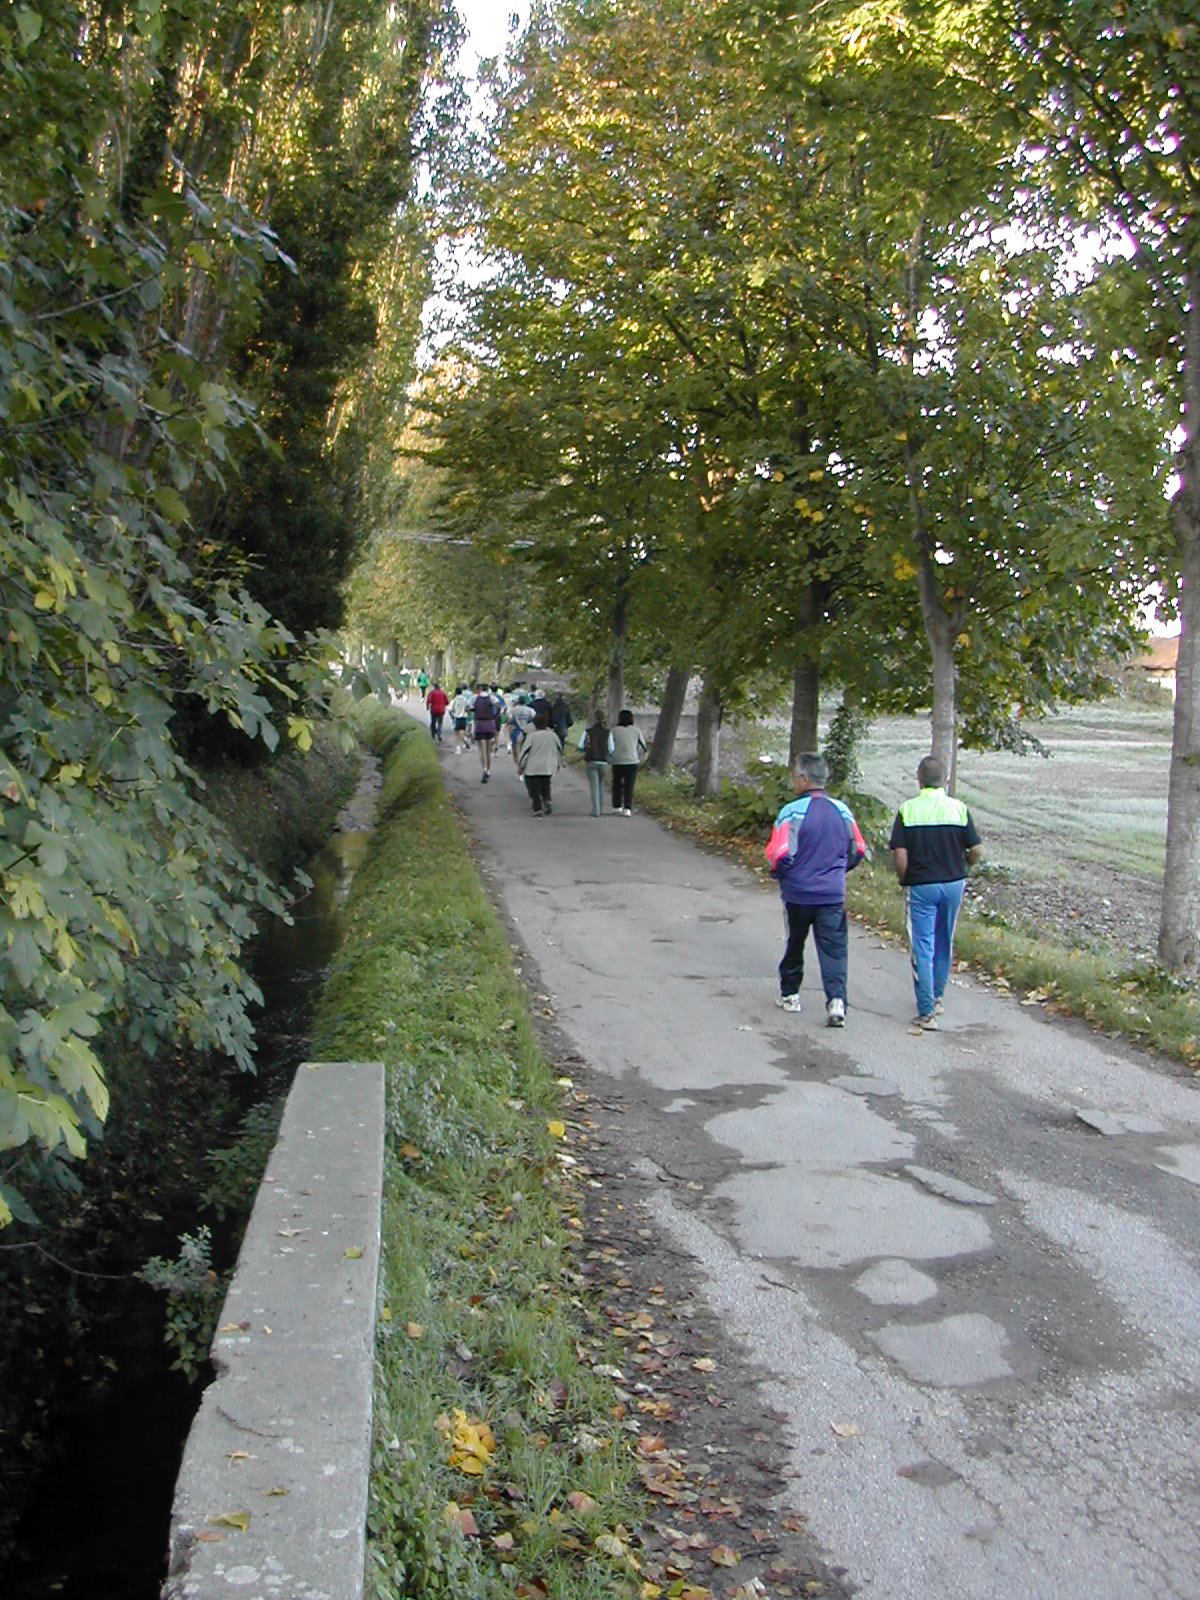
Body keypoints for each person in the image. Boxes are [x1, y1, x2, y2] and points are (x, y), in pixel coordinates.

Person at [765, 751, 866, 1026]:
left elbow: (780, 854)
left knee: (795, 942)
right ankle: (836, 1001)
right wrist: (840, 869)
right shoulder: (842, 811)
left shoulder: (791, 812)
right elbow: (858, 848)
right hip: (832, 893)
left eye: (795, 776)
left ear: (804, 778)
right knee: (834, 948)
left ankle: (790, 995)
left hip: (798, 893)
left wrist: (781, 875)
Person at [889, 754, 982, 1030]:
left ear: (919, 780)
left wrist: (905, 880)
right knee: (944, 940)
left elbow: (900, 856)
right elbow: (976, 849)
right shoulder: (959, 809)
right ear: (944, 780)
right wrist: (965, 865)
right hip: (954, 883)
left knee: (923, 944)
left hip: (923, 885)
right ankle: (938, 997)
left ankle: (926, 1011)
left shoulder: (908, 810)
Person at [517, 710, 562, 816]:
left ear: (535, 724)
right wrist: (559, 763)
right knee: (546, 785)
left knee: (534, 789)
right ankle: (548, 800)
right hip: (548, 765)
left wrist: (521, 766)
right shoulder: (553, 735)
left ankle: (538, 809)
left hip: (533, 767)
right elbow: (559, 750)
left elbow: (525, 752)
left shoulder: (532, 736)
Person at [609, 709, 647, 816]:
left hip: (617, 761)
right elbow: (644, 746)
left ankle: (617, 806)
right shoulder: (636, 731)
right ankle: (627, 808)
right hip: (632, 761)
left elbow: (610, 746)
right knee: (629, 785)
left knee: (616, 784)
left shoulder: (614, 730)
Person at [579, 710, 612, 818]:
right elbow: (611, 748)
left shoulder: (588, 731)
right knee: (600, 784)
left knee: (594, 786)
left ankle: (596, 810)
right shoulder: (608, 732)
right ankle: (601, 808)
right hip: (603, 761)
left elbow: (580, 746)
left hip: (591, 760)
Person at [472, 682, 499, 782]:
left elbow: (468, 708)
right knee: (488, 750)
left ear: (480, 689)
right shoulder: (492, 698)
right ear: (488, 689)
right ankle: (488, 769)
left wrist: (474, 711)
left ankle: (483, 768)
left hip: (479, 724)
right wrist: (495, 716)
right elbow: (498, 706)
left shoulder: (474, 698)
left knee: (481, 749)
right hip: (489, 723)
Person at [450, 685, 471, 753]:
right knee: (462, 731)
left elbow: (450, 709)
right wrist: (468, 714)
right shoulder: (465, 699)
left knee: (457, 733)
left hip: (457, 717)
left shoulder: (454, 700)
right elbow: (468, 708)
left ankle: (458, 747)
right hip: (464, 717)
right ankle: (464, 742)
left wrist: (452, 716)